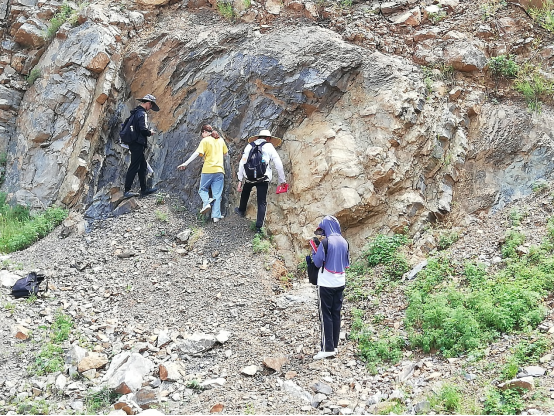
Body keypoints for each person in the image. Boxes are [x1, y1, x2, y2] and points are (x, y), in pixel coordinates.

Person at [311, 215, 349, 360]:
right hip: (340, 282)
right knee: (335, 314)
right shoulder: (344, 242)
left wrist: (314, 251)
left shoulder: (326, 242)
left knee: (325, 315)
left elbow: (318, 263)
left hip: (326, 283)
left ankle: (327, 349)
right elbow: (346, 262)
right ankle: (334, 346)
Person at [235, 129, 286, 234]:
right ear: (268, 138)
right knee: (261, 202)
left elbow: (242, 163)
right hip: (263, 178)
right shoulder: (269, 146)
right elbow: (278, 164)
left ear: (258, 137)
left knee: (245, 191)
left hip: (249, 177)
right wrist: (282, 180)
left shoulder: (249, 146)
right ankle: (258, 227)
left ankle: (241, 210)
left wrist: (240, 179)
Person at [178, 125, 228, 223]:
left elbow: (197, 153)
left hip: (208, 170)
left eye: (202, 133)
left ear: (205, 132)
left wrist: (185, 163)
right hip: (219, 170)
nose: (202, 135)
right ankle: (216, 217)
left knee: (202, 190)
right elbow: (225, 154)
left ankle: (207, 202)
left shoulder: (205, 141)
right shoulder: (220, 140)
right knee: (217, 194)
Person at [123, 94, 159, 198]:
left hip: (134, 142)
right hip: (137, 143)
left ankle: (144, 189)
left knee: (142, 166)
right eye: (151, 106)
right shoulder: (142, 114)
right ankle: (127, 190)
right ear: (148, 103)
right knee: (134, 166)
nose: (150, 108)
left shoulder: (135, 112)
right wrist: (150, 132)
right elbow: (143, 129)